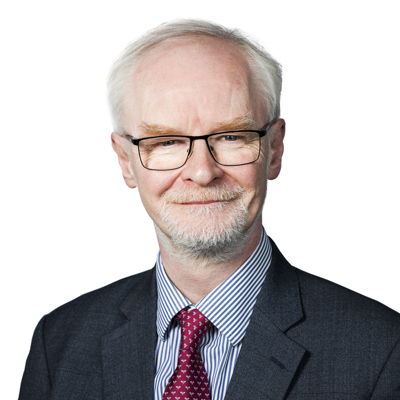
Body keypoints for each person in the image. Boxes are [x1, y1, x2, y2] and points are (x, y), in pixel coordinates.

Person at [19, 20, 400, 400]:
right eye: (165, 141)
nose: (202, 172)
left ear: (274, 149)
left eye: (232, 136)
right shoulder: (60, 341)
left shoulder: (383, 350)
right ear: (125, 160)